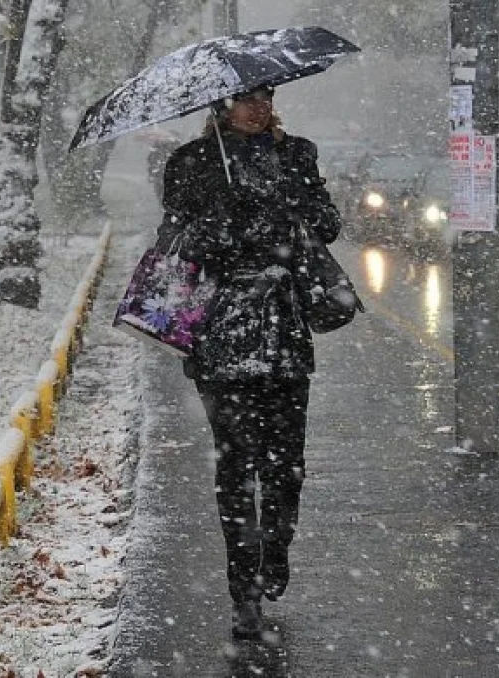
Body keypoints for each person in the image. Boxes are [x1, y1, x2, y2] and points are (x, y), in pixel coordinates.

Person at [156, 85, 342, 640]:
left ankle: (275, 550)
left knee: (286, 466)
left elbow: (329, 224)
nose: (258, 107)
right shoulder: (191, 163)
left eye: (265, 96)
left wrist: (293, 215)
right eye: (244, 99)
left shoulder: (296, 154)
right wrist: (228, 228)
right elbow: (175, 240)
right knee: (236, 467)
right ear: (220, 107)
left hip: (283, 327)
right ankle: (244, 590)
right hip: (221, 331)